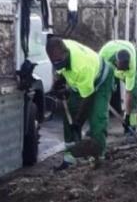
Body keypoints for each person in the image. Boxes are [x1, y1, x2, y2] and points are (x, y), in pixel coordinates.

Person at [47, 36, 113, 170]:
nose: (57, 64)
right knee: (69, 113)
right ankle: (70, 158)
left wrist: (78, 123)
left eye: (59, 61)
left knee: (97, 118)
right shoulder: (59, 50)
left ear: (66, 53)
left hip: (100, 80)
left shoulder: (82, 66)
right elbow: (61, 72)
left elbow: (88, 99)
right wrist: (58, 84)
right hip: (81, 83)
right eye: (54, 62)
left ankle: (98, 157)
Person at [99, 40, 137, 144]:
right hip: (108, 65)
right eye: (122, 68)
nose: (124, 70)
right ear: (116, 62)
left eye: (125, 69)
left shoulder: (131, 65)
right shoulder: (103, 56)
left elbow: (128, 93)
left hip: (133, 52)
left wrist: (127, 116)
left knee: (133, 100)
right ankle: (98, 129)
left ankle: (132, 127)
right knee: (102, 97)